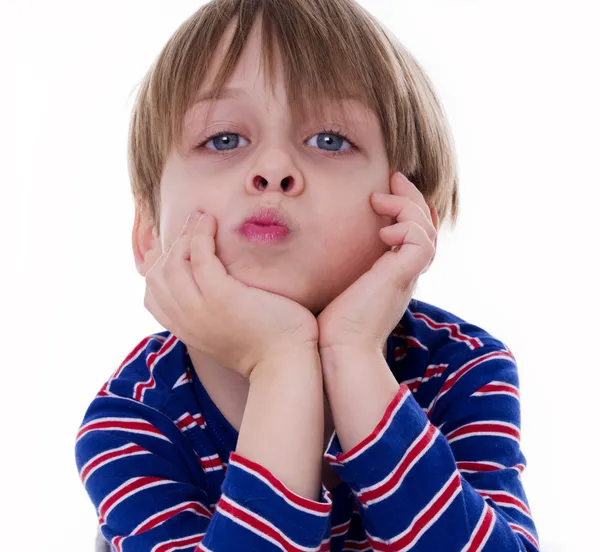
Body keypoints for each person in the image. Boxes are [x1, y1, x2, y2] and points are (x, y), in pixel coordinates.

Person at [75, 0, 540, 550]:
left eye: (330, 140)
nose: (273, 171)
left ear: (408, 217)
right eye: (224, 139)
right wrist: (281, 362)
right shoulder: (134, 418)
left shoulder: (458, 370)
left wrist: (352, 354)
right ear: (149, 233)